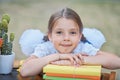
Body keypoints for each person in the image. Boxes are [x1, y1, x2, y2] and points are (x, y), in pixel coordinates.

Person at [20, 8, 120, 77]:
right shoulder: (46, 48)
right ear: (50, 36)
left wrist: (81, 60)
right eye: (59, 32)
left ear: (80, 36)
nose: (66, 38)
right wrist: (58, 56)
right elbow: (25, 71)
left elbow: (117, 62)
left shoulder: (81, 48)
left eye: (72, 33)